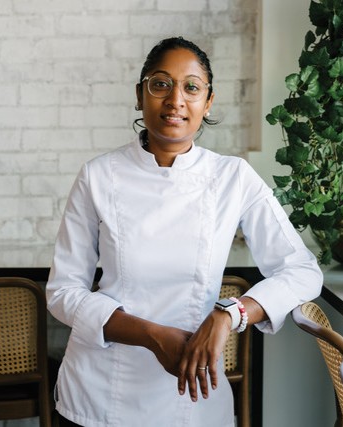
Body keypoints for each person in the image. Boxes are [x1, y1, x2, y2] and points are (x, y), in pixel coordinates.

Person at [46, 36, 323, 427]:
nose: (175, 100)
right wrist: (151, 335)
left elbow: (302, 271)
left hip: (194, 396)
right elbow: (63, 292)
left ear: (207, 102)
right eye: (160, 84)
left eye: (191, 88)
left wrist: (229, 314)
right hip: (101, 395)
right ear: (140, 94)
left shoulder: (232, 177)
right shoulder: (98, 176)